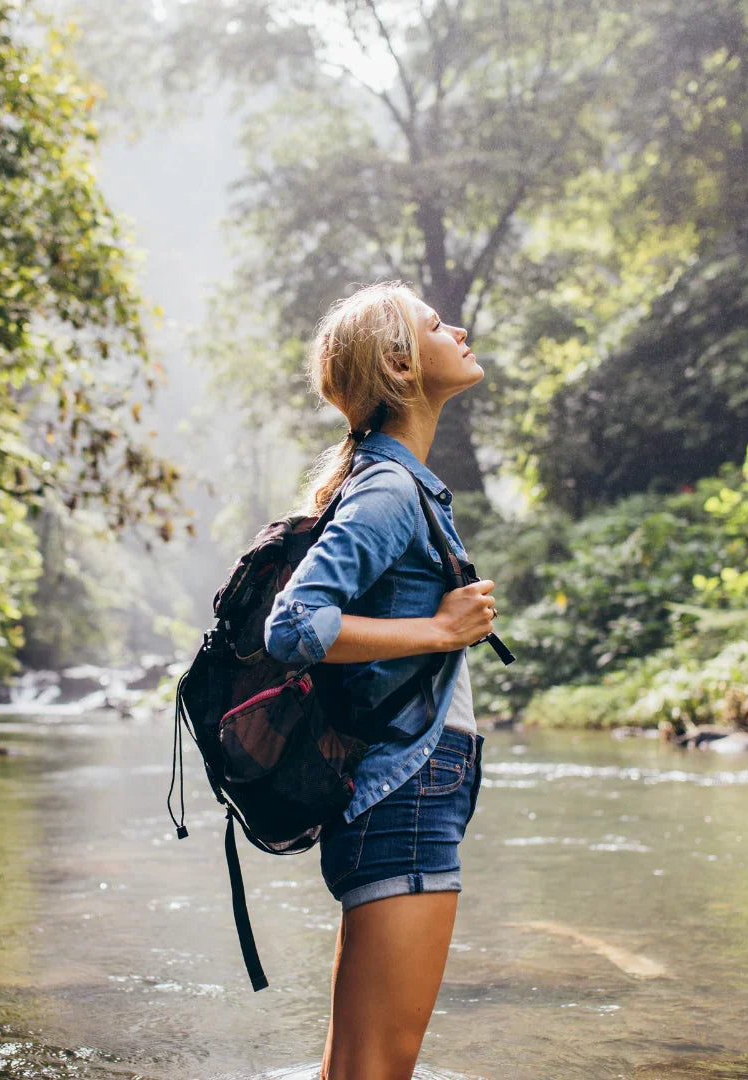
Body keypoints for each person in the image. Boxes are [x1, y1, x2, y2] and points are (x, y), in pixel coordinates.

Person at [263, 280, 499, 1080]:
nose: (459, 329)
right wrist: (437, 630)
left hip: (399, 788)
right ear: (401, 364)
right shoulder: (392, 488)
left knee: (356, 1068)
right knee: (379, 1069)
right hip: (406, 792)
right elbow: (294, 626)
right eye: (438, 325)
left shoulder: (392, 481)